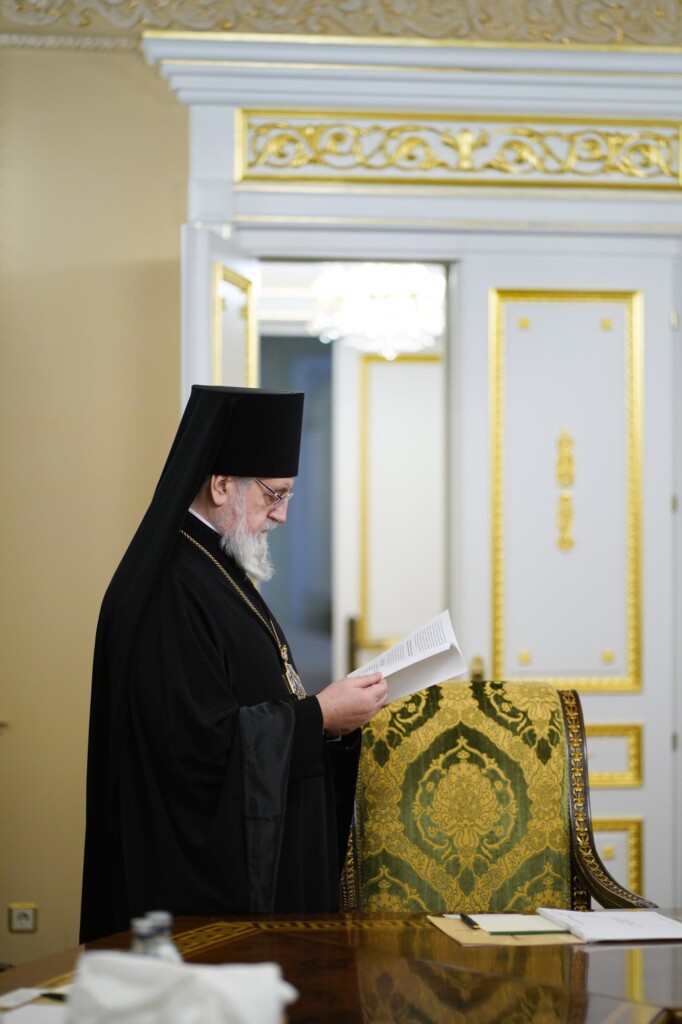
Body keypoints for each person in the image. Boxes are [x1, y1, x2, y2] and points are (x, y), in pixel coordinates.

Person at [79, 385, 387, 943]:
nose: (283, 515)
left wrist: (323, 718)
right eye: (275, 495)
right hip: (191, 894)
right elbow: (193, 747)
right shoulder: (171, 586)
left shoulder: (214, 565)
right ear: (221, 484)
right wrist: (319, 716)